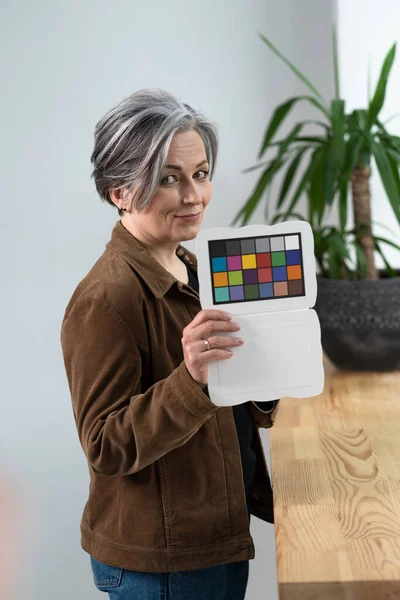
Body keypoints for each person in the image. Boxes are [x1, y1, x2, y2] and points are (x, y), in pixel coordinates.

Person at [60, 88, 280, 600]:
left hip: (217, 538)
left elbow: (225, 394)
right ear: (119, 191)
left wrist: (268, 373)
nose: (194, 196)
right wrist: (192, 379)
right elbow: (105, 446)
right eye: (168, 179)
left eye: (200, 173)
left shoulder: (192, 266)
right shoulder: (105, 299)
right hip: (161, 565)